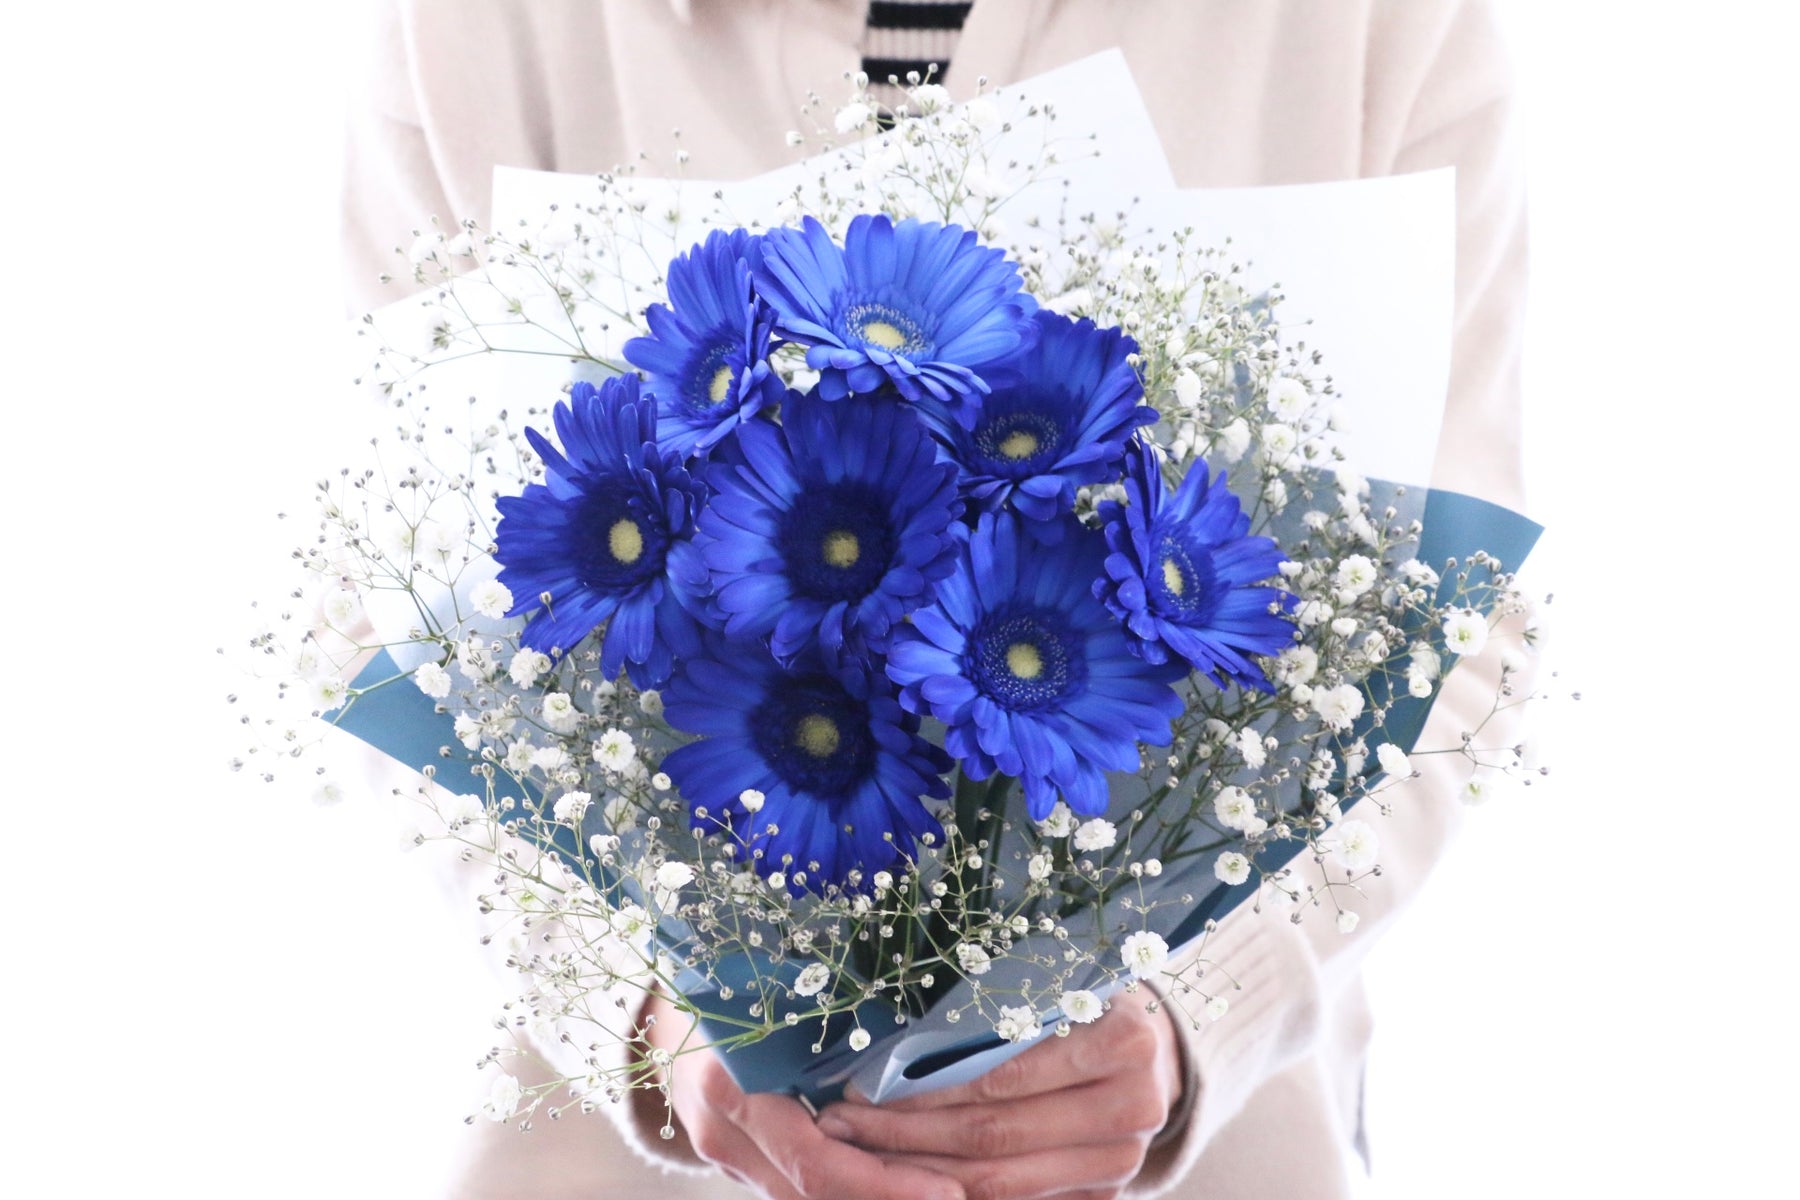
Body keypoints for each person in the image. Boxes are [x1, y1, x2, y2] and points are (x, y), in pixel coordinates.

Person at [341, 3, 1526, 1197]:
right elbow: (390, 614)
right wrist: (639, 1009)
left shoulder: (1382, 23)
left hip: (1190, 1153)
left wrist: (1200, 999)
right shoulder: (469, 26)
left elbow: (1464, 627)